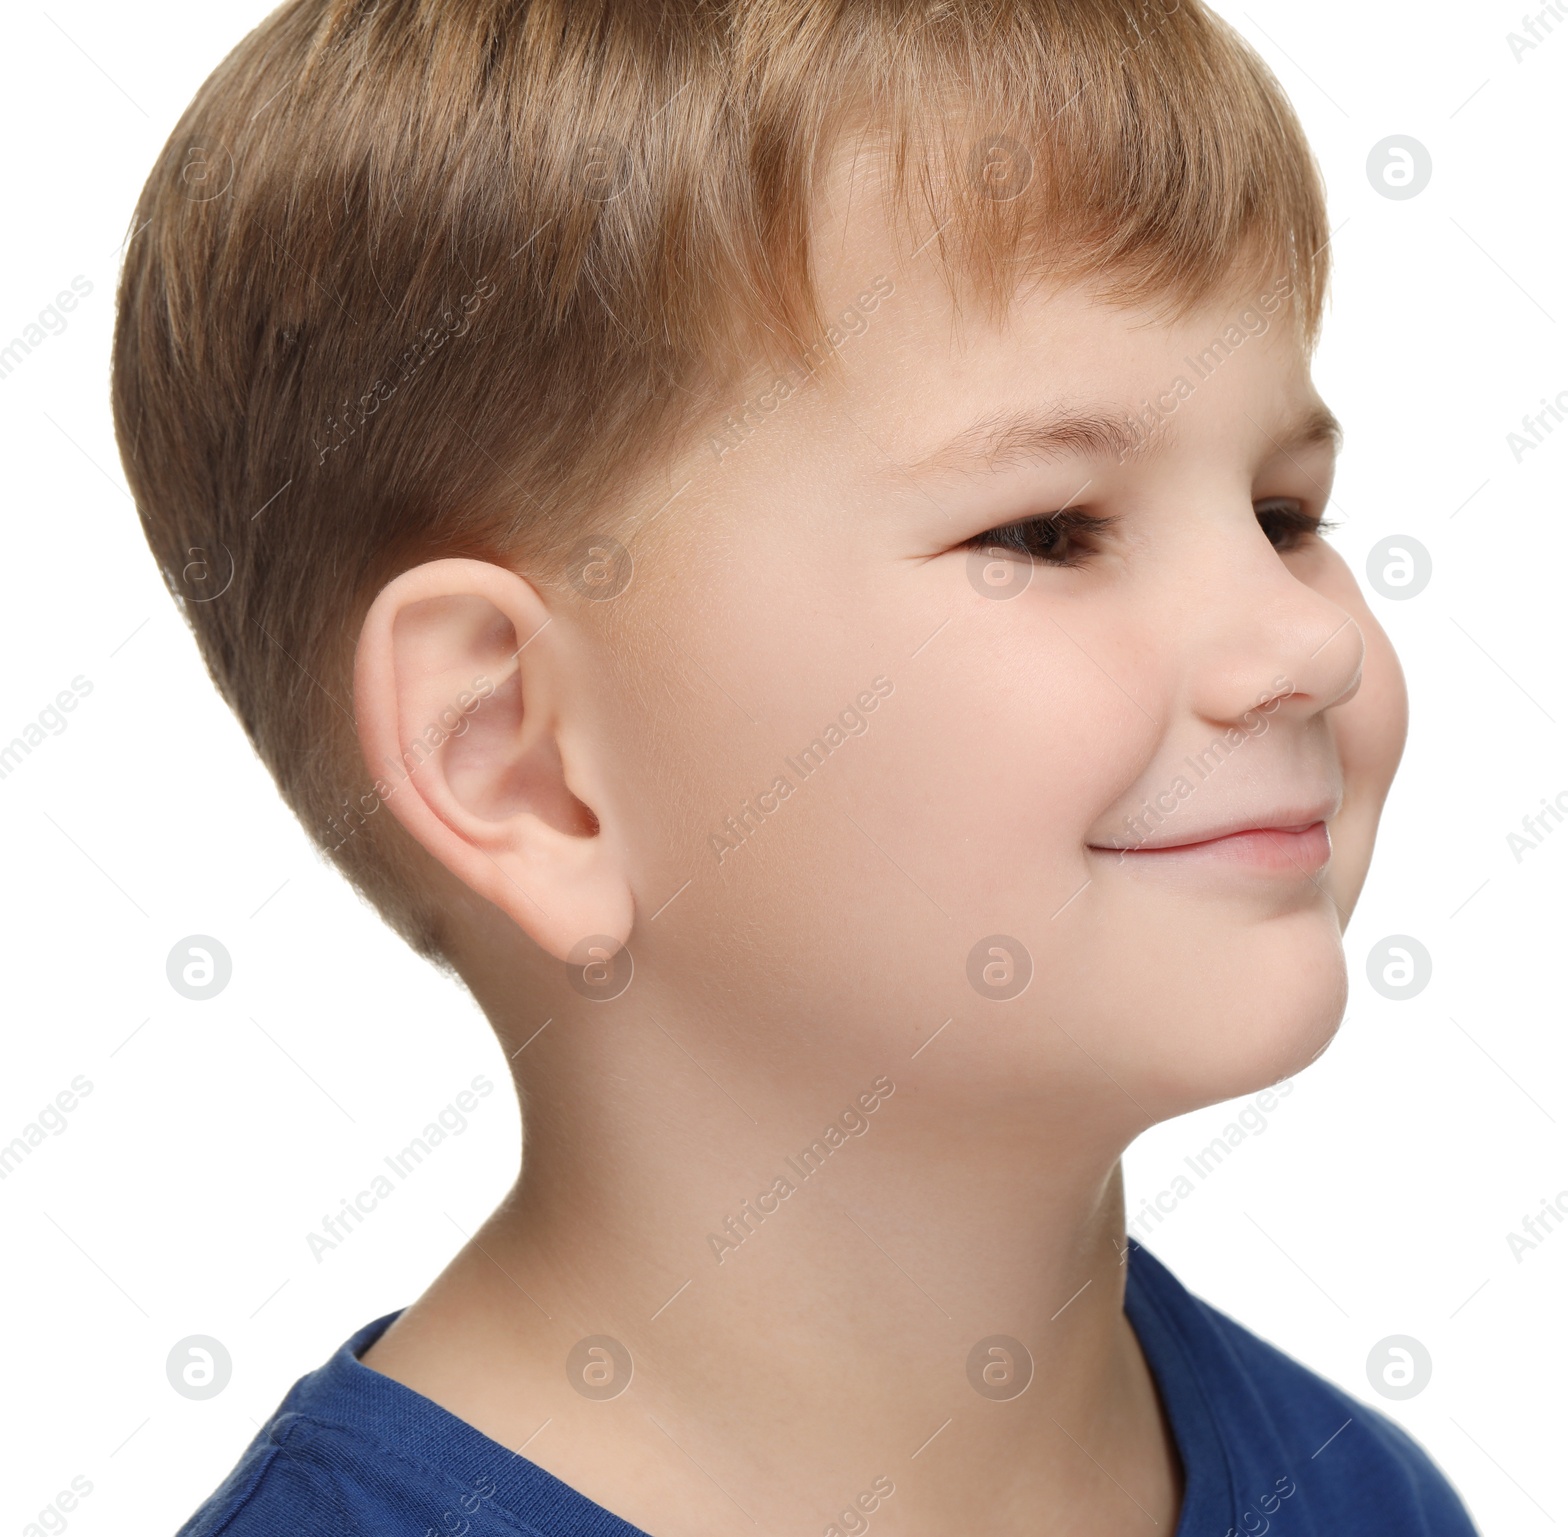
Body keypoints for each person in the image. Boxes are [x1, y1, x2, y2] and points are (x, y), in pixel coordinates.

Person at [110, 0, 1478, 1532]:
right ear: (521, 762)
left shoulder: (1365, 1493)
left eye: (1287, 515)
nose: (1304, 647)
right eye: (1046, 531)